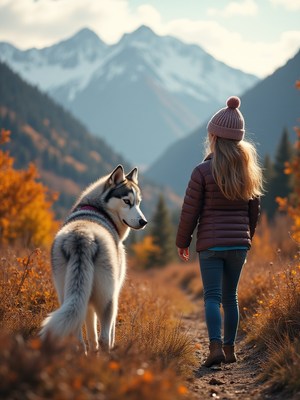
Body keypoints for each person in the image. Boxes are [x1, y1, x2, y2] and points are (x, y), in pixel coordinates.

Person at [176, 96, 263, 367]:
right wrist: (246, 236)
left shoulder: (202, 171)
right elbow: (254, 211)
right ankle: (229, 350)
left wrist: (183, 241)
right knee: (231, 298)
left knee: (212, 297)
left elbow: (190, 211)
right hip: (239, 245)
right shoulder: (249, 171)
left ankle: (214, 348)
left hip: (211, 246)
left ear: (213, 136)